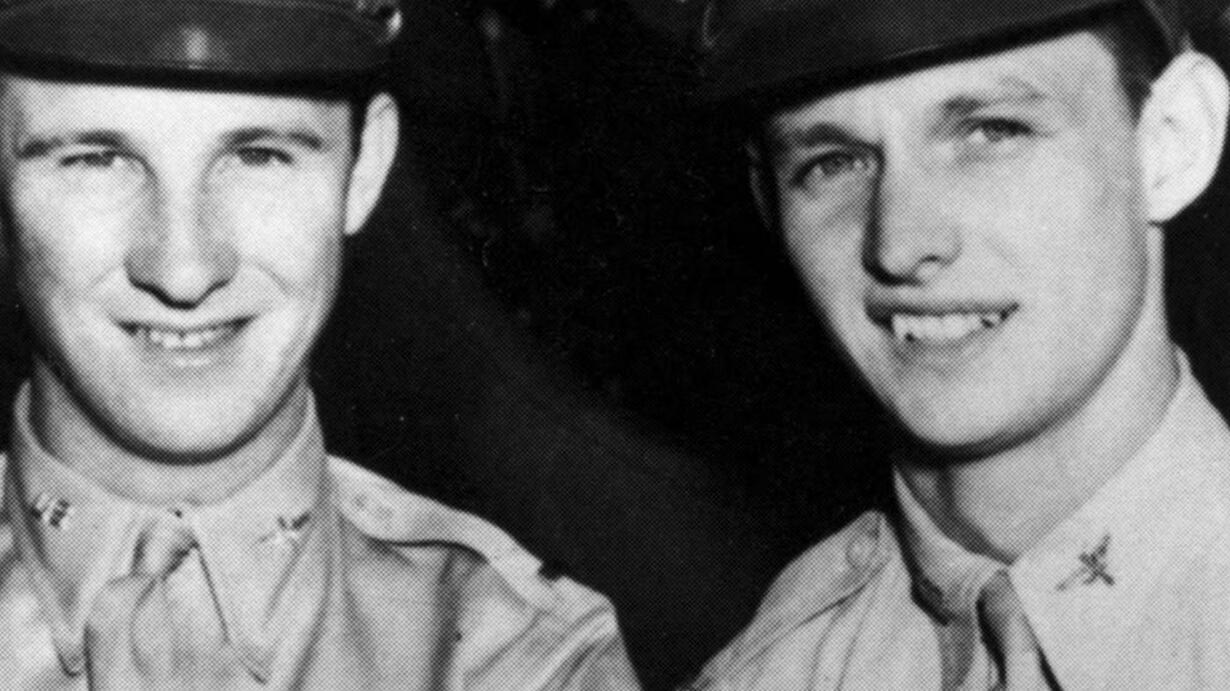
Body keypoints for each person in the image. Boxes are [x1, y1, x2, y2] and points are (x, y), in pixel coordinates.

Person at [0, 0, 641, 688]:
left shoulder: (524, 662)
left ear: (365, 168)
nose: (185, 271)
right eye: (97, 159)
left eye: (258, 155)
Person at [680, 0, 1230, 688]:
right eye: (833, 162)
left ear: (1174, 143)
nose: (900, 244)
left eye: (992, 131)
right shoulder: (777, 671)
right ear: (770, 206)